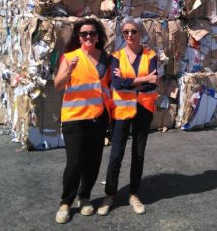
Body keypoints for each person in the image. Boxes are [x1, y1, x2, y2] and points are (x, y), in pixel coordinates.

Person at [97, 17, 159, 216]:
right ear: (122, 35)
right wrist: (143, 79)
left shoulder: (151, 55)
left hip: (143, 109)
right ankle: (110, 194)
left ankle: (134, 193)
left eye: (134, 31)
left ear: (141, 33)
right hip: (122, 111)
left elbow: (153, 83)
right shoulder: (116, 56)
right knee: (116, 154)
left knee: (138, 154)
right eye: (126, 32)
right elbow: (117, 83)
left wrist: (131, 81)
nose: (130, 35)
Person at [53, 18, 112, 224]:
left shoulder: (105, 58)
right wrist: (69, 71)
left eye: (92, 34)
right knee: (75, 162)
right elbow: (58, 85)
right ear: (78, 37)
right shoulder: (69, 57)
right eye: (84, 34)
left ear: (98, 37)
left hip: (98, 118)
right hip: (75, 119)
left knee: (93, 162)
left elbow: (108, 87)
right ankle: (65, 203)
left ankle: (84, 197)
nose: (88, 37)